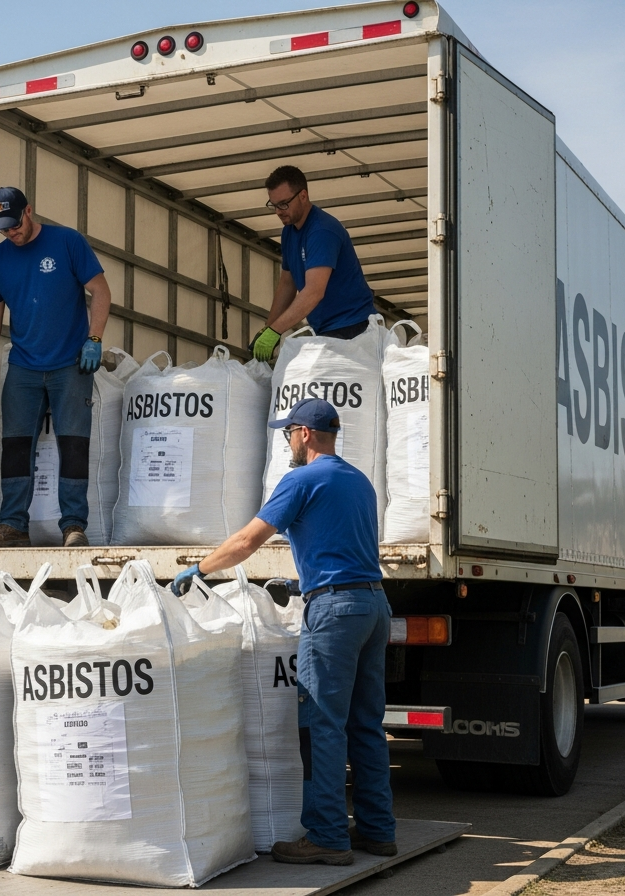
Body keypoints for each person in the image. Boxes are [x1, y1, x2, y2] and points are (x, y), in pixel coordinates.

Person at [170, 398, 394, 865]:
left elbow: (247, 541)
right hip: (373, 604)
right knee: (366, 723)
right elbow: (342, 543)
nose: (287, 441)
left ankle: (328, 836)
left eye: (288, 432)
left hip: (334, 611)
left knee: (322, 726)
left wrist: (200, 569)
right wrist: (301, 580)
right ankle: (377, 831)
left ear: (305, 434)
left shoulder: (301, 479)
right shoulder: (359, 481)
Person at [0, 186, 113, 549]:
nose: (11, 232)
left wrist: (94, 339)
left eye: (15, 224)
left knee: (73, 445)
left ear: (29, 211)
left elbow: (100, 290)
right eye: (3, 228)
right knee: (16, 446)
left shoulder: (67, 242)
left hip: (71, 362)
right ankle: (12, 525)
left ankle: (73, 526)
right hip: (23, 365)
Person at [250, 165, 375, 362]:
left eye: (283, 204)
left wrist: (275, 331)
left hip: (354, 329)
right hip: (327, 329)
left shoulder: (322, 231)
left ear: (303, 196)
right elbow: (287, 283)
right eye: (273, 205)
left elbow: (314, 292)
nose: (278, 212)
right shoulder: (289, 232)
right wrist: (267, 330)